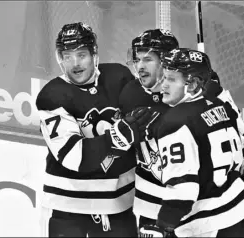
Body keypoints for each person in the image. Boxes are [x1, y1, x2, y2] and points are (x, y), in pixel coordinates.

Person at [139, 48, 244, 237]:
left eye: (171, 79)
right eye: (164, 77)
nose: (163, 85)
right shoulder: (223, 107)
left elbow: (184, 190)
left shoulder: (175, 122)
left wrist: (162, 227)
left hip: (207, 226)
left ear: (193, 84)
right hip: (241, 217)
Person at [36, 22, 158, 237]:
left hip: (119, 203)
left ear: (94, 54)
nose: (75, 63)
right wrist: (117, 137)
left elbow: (151, 108)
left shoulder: (118, 77)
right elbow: (73, 156)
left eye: (81, 54)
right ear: (59, 58)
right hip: (69, 208)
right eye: (67, 56)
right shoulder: (52, 95)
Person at [119, 28, 179, 231]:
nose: (140, 67)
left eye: (147, 60)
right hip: (150, 205)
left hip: (189, 205)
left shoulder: (191, 93)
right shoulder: (130, 93)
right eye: (137, 60)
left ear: (167, 62)